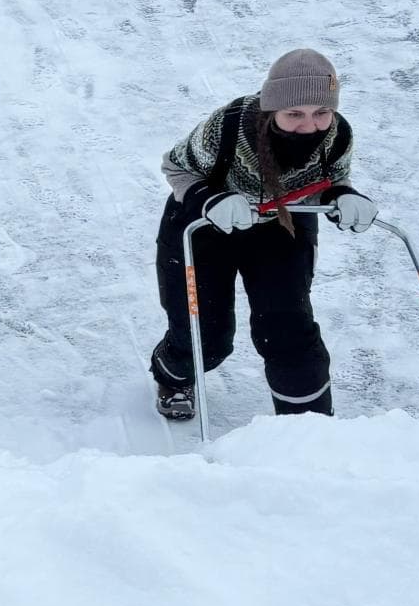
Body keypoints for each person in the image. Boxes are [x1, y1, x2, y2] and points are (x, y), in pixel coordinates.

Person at [151, 49, 375, 423]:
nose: (310, 125)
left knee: (288, 327)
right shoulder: (227, 128)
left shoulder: (337, 135)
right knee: (206, 335)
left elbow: (330, 179)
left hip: (281, 225)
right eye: (294, 114)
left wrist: (343, 195)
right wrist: (210, 198)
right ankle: (172, 377)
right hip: (207, 223)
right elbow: (176, 166)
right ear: (272, 110)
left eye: (322, 112)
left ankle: (307, 427)